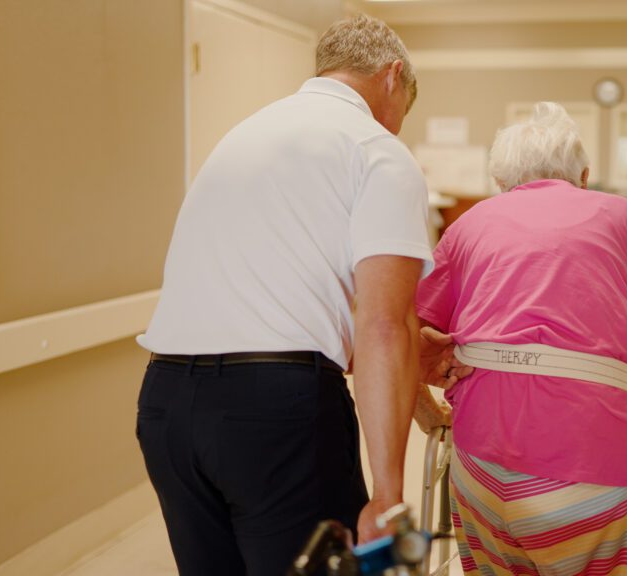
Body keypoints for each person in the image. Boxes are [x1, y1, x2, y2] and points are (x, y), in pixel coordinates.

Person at [135, 15, 458, 576]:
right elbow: (384, 326)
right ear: (393, 76)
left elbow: (277, 298)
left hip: (166, 408)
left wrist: (411, 357)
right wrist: (387, 496)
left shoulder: (244, 135)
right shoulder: (376, 150)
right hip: (275, 414)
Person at [414, 102, 627, 575]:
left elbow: (404, 340)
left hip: (483, 462)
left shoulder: (469, 224)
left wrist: (430, 415)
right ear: (584, 175)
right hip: (605, 466)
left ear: (500, 183)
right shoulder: (622, 216)